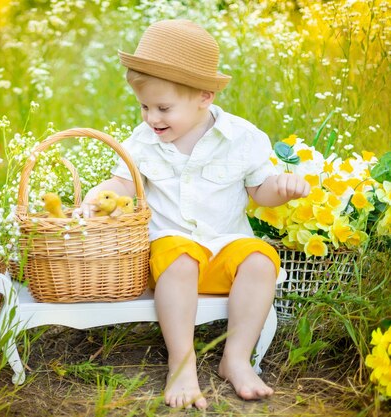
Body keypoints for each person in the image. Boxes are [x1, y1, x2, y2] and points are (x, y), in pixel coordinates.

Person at [81, 19, 310, 409]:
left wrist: (282, 189)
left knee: (260, 261)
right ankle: (181, 363)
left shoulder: (242, 138)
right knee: (181, 259)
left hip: (225, 246)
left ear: (205, 97)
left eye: (163, 108)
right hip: (171, 250)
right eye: (144, 107)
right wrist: (98, 196)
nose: (152, 118)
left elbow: (260, 191)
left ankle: (235, 358)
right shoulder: (143, 142)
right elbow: (123, 184)